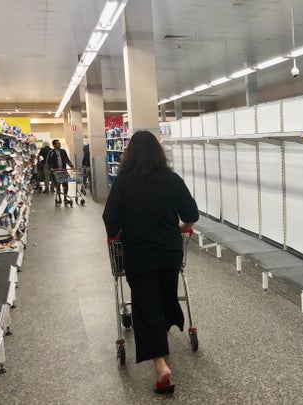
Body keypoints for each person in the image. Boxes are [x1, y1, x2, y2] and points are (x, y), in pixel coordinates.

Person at [102, 131, 199, 394]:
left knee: (146, 304)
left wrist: (126, 227)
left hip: (139, 255)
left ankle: (160, 365)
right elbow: (191, 214)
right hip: (169, 253)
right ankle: (164, 331)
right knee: (166, 294)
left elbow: (110, 222)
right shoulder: (171, 179)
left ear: (129, 154)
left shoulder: (123, 183)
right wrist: (181, 225)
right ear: (158, 152)